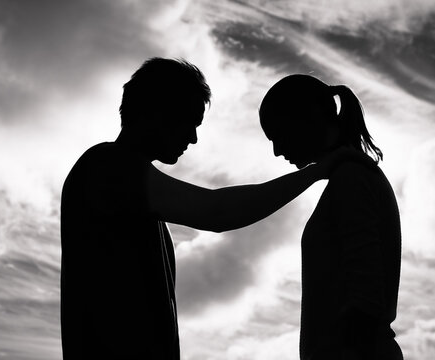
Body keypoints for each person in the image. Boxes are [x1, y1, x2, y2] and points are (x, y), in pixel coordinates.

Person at [60, 58, 358, 360]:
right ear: (159, 112)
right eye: (189, 121)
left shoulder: (127, 186)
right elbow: (217, 211)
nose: (193, 137)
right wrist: (317, 171)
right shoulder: (108, 166)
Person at [259, 74, 403, 360]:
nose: (276, 151)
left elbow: (365, 299)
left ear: (307, 119)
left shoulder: (351, 178)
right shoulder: (349, 176)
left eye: (278, 134)